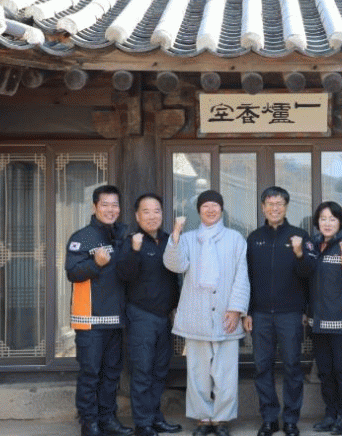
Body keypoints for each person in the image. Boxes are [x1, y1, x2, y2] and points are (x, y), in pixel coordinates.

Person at [163, 190, 250, 436]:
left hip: (226, 314)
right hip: (196, 313)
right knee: (197, 372)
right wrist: (175, 236)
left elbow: (241, 276)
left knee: (226, 372)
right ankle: (203, 419)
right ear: (199, 211)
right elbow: (175, 265)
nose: (211, 210)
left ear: (221, 209)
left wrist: (236, 310)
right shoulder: (189, 238)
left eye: (215, 206)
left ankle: (221, 420)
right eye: (205, 206)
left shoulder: (235, 238)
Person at [244, 187, 313, 436]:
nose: (275, 208)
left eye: (280, 204)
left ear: (286, 207)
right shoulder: (254, 238)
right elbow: (246, 277)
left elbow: (308, 274)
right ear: (263, 207)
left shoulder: (300, 236)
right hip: (260, 314)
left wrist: (299, 254)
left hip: (290, 313)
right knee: (262, 367)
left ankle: (291, 419)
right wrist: (247, 311)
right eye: (270, 204)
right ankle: (269, 419)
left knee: (293, 366)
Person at [65, 185, 133, 436]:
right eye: (105, 204)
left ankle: (108, 419)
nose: (110, 209)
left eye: (115, 205)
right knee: (90, 373)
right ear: (95, 207)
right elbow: (73, 272)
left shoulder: (121, 236)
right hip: (90, 319)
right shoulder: (82, 237)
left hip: (115, 318)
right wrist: (96, 263)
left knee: (111, 373)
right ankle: (89, 422)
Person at [116, 194, 182, 436]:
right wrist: (134, 251)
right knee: (142, 371)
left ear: (162, 214)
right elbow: (124, 275)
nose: (152, 216)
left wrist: (176, 307)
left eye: (156, 211)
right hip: (141, 316)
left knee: (160, 371)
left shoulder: (168, 241)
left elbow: (175, 276)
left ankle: (155, 418)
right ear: (137, 215)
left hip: (165, 317)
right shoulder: (131, 242)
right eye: (146, 211)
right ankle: (143, 424)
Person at [304, 201, 342, 435]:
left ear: (340, 221)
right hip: (319, 323)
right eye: (323, 219)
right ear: (317, 222)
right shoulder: (313, 246)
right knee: (325, 373)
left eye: (332, 219)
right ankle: (330, 414)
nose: (327, 223)